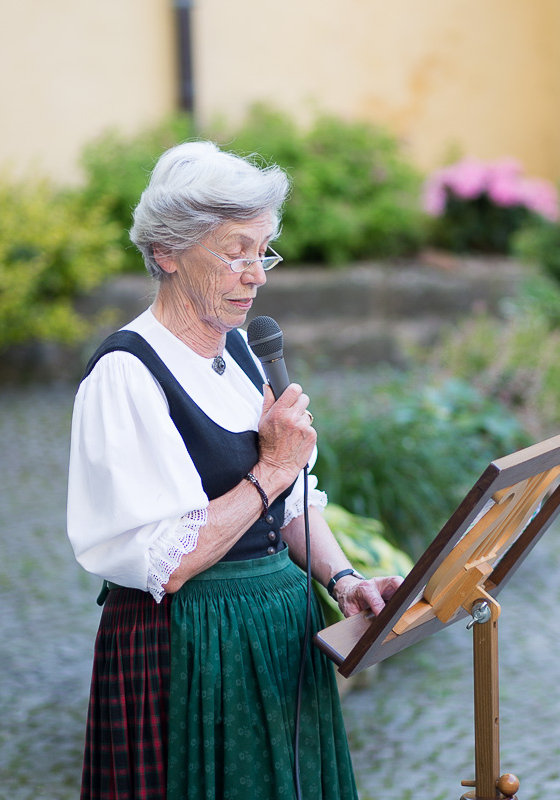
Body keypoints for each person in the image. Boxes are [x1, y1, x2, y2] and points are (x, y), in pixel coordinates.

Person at [66, 140, 403, 800]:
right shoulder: (125, 377)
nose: (257, 274)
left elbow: (296, 502)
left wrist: (344, 577)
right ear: (166, 252)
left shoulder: (245, 355)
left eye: (262, 250)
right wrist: (271, 468)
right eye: (234, 251)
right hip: (189, 652)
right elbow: (171, 560)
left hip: (278, 640)